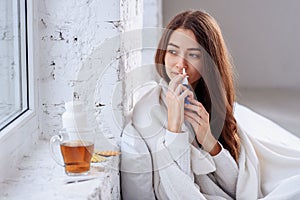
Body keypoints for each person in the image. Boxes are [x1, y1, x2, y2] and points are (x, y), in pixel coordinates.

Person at [120, 10, 300, 200]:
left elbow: (237, 188)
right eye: (173, 52)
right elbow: (177, 192)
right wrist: (174, 129)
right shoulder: (148, 110)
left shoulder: (209, 102)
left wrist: (208, 139)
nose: (180, 64)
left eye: (193, 55)